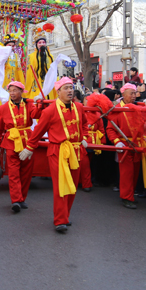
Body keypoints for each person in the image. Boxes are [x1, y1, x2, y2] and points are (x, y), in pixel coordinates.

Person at [22, 77, 88, 233]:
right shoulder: (50, 110)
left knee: (73, 186)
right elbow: (38, 131)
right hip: (57, 152)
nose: (70, 91)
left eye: (71, 87)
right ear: (58, 92)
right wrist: (29, 148)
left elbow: (84, 124)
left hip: (76, 151)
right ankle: (60, 220)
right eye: (66, 88)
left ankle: (65, 215)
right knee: (61, 186)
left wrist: (84, 137)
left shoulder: (79, 107)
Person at [0, 81, 41, 212]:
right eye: (10, 90)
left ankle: (22, 198)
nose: (12, 93)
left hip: (27, 141)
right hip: (11, 142)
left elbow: (37, 115)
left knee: (26, 172)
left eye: (15, 90)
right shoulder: (3, 108)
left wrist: (40, 103)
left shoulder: (29, 104)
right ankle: (15, 200)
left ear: (21, 91)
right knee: (13, 173)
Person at [107, 83, 146, 209]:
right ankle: (126, 197)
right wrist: (116, 141)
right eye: (131, 93)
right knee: (127, 173)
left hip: (137, 144)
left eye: (135, 93)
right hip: (124, 144)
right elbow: (110, 129)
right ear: (123, 94)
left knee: (135, 172)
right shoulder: (117, 109)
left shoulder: (137, 107)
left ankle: (130, 195)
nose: (134, 96)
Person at [0, 33, 26, 112]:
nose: (12, 48)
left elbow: (19, 70)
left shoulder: (16, 56)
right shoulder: (2, 56)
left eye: (13, 46)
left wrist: (22, 83)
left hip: (13, 80)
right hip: (4, 81)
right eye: (10, 46)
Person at [83, 93, 111, 192]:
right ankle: (86, 183)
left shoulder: (98, 114)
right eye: (86, 99)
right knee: (85, 164)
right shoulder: (81, 112)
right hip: (84, 141)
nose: (87, 101)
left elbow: (101, 129)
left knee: (91, 163)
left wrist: (101, 143)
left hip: (94, 142)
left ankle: (87, 181)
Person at [25, 34, 57, 99]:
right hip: (36, 82)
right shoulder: (30, 56)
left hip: (48, 81)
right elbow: (28, 72)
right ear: (36, 45)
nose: (42, 44)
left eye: (43, 42)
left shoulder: (50, 56)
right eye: (40, 43)